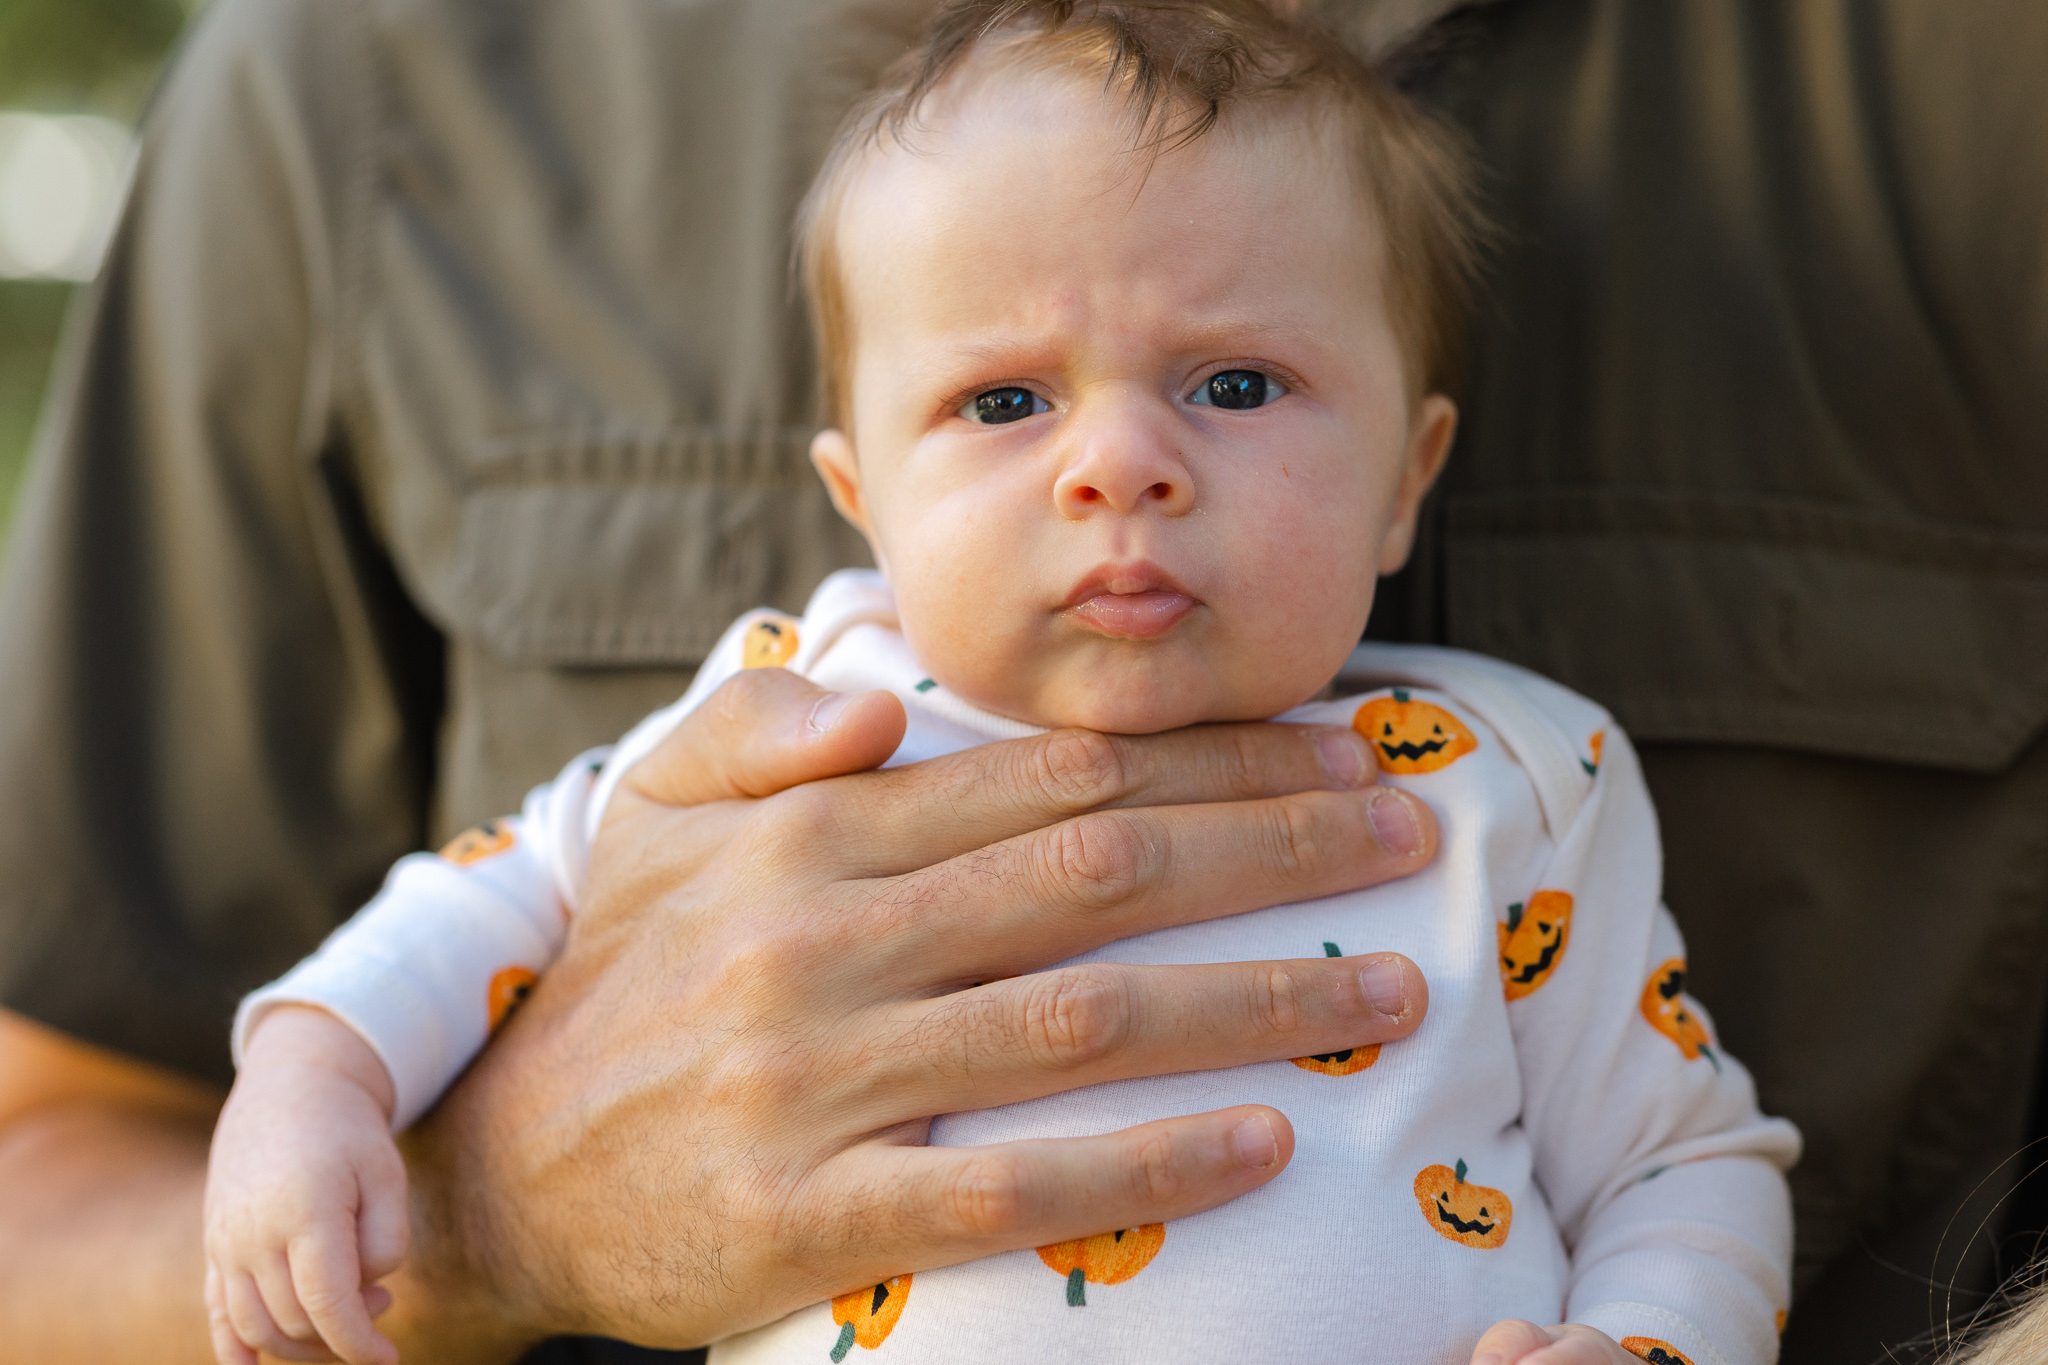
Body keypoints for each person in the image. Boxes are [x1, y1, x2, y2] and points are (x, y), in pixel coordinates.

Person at [1, 0, 2043, 1362]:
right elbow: (471, 903)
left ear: (1408, 469)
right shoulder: (797, 701)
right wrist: (324, 1088)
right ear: (856, 488)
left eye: (1238, 385)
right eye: (999, 399)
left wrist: (1652, 1337)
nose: (1121, 458)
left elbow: (1681, 1157)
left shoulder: (1521, 775)